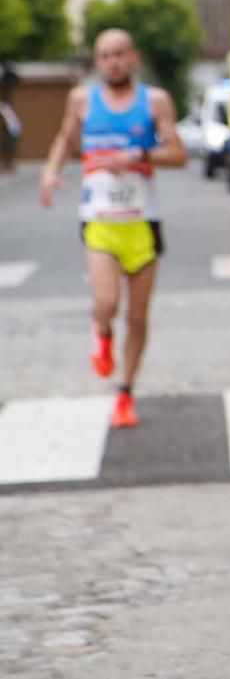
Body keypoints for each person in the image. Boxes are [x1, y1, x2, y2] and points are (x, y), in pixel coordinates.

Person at [39, 29, 188, 428]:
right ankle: (101, 331)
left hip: (142, 222)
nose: (113, 62)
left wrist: (138, 155)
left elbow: (178, 153)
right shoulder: (82, 99)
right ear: (97, 61)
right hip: (100, 220)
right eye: (105, 56)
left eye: (120, 54)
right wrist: (50, 173)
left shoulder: (155, 101)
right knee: (107, 303)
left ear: (133, 57)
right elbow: (65, 139)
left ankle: (125, 391)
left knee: (138, 317)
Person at [0, 97, 19, 172]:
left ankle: (8, 164)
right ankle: (8, 164)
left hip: (12, 131)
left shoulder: (3, 107)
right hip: (13, 130)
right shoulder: (5, 107)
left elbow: (5, 121)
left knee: (9, 147)